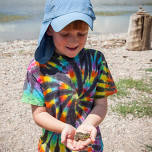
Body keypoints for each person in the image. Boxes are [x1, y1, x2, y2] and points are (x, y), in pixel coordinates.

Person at [21, 0, 117, 151]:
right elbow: (39, 113)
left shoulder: (96, 60)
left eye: (82, 33)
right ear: (49, 29)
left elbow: (101, 104)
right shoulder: (37, 68)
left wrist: (87, 125)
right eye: (65, 34)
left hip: (89, 143)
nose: (74, 40)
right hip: (53, 147)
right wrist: (63, 128)